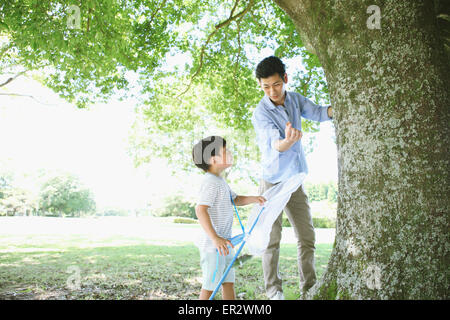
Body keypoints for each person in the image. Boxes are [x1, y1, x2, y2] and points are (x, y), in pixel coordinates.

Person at [251, 56, 333, 300]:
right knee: (271, 239)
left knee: (307, 236)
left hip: (295, 181)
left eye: (276, 84)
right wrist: (287, 141)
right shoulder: (260, 112)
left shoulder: (295, 99)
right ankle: (274, 292)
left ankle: (308, 289)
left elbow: (318, 113)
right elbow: (273, 144)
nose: (271, 91)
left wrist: (335, 109)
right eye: (265, 86)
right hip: (272, 181)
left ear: (285, 79)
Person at [192, 135, 266, 300]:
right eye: (225, 151)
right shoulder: (210, 182)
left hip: (225, 243)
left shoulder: (220, 181)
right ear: (213, 159)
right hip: (214, 246)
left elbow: (236, 199)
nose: (230, 153)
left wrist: (254, 198)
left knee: (228, 282)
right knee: (211, 285)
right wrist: (215, 238)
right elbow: (200, 210)